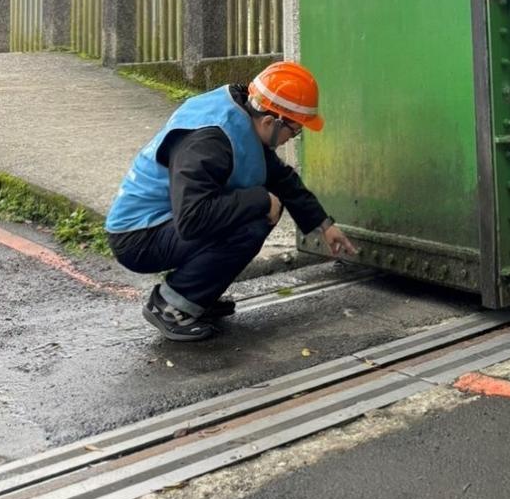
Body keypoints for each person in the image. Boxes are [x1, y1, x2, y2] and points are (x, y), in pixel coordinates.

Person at [105, 61, 357, 342]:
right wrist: (260, 200)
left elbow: (282, 179)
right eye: (295, 131)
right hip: (139, 238)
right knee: (253, 221)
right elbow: (193, 219)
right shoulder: (209, 142)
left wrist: (324, 226)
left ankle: (197, 297)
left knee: (260, 210)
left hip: (164, 224)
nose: (292, 139)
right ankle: (171, 306)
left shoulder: (242, 120)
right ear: (270, 122)